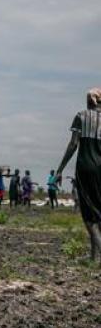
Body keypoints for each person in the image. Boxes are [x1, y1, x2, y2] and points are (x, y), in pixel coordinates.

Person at [55, 87, 101, 261]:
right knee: (99, 212)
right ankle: (94, 258)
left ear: (89, 101)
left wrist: (60, 170)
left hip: (86, 167)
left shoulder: (81, 116)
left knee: (89, 216)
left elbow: (73, 144)